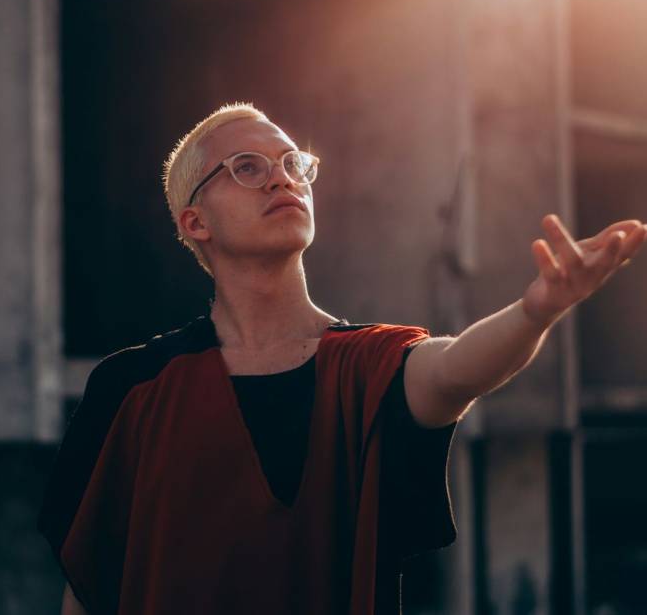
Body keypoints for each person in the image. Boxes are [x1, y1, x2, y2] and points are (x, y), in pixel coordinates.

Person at [37, 102, 647, 614]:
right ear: (195, 221)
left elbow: (458, 367)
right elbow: (87, 589)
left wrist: (536, 311)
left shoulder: (369, 366)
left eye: (292, 164)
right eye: (247, 168)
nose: (282, 179)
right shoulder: (131, 387)